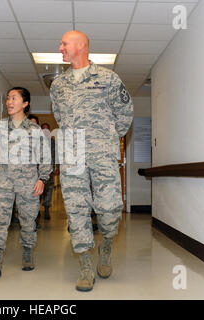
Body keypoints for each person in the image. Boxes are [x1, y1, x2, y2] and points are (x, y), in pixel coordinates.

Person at [50, 31, 133, 291]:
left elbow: (125, 114)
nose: (60, 47)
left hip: (103, 153)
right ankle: (86, 264)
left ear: (81, 45)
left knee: (109, 208)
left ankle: (106, 243)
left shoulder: (108, 78)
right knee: (76, 210)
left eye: (64, 43)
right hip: (72, 156)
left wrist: (105, 138)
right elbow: (60, 117)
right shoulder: (57, 85)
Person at [0, 87, 52, 278]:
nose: (9, 102)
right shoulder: (0, 126)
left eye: (14, 98)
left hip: (28, 183)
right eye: (8, 98)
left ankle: (28, 252)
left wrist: (42, 179)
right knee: (0, 221)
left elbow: (45, 157)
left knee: (28, 221)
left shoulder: (35, 130)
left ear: (25, 103)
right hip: (3, 182)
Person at [40, 123, 56, 220]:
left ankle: (46, 209)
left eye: (47, 129)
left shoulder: (53, 142)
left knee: (49, 190)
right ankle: (36, 212)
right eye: (43, 129)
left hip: (50, 170)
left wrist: (55, 169)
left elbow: (55, 156)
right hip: (38, 171)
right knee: (38, 191)